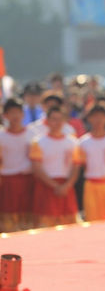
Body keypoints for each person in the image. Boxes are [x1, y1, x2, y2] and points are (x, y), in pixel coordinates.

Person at [29, 106, 80, 227]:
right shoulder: (38, 142)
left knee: (69, 225)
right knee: (45, 226)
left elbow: (76, 166)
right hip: (46, 187)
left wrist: (66, 185)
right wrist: (55, 186)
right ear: (47, 121)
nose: (56, 123)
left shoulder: (73, 142)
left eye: (59, 119)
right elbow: (37, 167)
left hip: (67, 187)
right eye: (53, 119)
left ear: (64, 121)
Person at [78, 104, 105, 221]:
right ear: (88, 119)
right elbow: (80, 165)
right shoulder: (83, 142)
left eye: (102, 116)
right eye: (94, 116)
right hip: (92, 186)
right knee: (94, 220)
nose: (98, 120)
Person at [0, 98, 34, 232]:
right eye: (11, 113)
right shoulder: (1, 135)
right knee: (8, 216)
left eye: (18, 112)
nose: (15, 116)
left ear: (23, 114)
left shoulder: (32, 134)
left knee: (28, 216)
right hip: (7, 181)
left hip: (28, 179)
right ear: (5, 115)